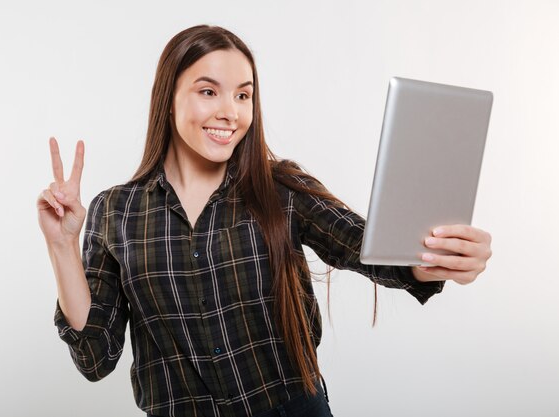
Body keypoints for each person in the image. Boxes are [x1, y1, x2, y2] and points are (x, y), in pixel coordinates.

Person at [36, 25, 492, 417]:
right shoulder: (116, 210)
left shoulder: (281, 189)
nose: (230, 112)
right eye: (208, 91)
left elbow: (368, 248)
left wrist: (436, 258)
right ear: (167, 96)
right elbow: (95, 355)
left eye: (243, 95)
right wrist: (62, 246)